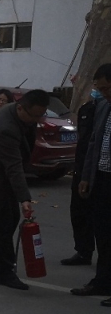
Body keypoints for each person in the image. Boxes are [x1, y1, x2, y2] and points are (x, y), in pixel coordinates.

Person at [0, 90, 48, 290]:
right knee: (1, 227)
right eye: (35, 116)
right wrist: (25, 198)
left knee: (10, 221)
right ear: (21, 108)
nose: (37, 120)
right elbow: (13, 166)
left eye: (41, 115)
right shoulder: (5, 128)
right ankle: (5, 272)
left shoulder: (15, 112)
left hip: (0, 178)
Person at [73, 64, 111, 301]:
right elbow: (94, 142)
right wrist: (86, 176)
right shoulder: (103, 106)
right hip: (102, 178)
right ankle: (102, 282)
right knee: (103, 234)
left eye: (106, 88)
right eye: (100, 89)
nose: (103, 93)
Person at [62, 86, 98, 266]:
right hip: (82, 165)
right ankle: (83, 251)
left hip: (102, 169)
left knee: (101, 215)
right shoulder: (86, 109)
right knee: (79, 211)